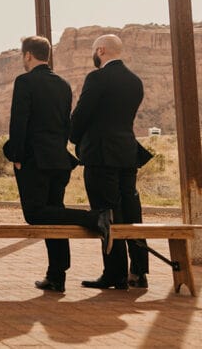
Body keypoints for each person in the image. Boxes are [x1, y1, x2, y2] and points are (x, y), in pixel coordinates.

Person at [5, 36, 112, 293]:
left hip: (34, 160)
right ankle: (57, 274)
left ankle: (94, 218)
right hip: (58, 159)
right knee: (55, 212)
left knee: (35, 213)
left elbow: (19, 122)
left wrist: (17, 156)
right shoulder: (63, 84)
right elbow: (66, 124)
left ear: (28, 55)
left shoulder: (25, 81)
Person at [70, 34, 148, 290]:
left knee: (106, 212)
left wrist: (74, 137)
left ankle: (114, 274)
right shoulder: (135, 81)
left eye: (94, 51)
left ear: (101, 50)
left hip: (101, 155)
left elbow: (82, 113)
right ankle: (138, 271)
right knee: (131, 210)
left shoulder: (97, 78)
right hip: (127, 153)